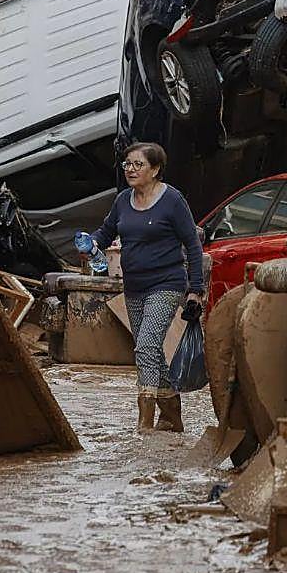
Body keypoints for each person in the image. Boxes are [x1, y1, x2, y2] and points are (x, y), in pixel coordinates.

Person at [87, 142, 203, 434]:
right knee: (148, 352)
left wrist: (196, 289)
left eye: (138, 164)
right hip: (134, 286)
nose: (130, 169)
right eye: (127, 164)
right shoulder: (123, 200)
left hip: (166, 283)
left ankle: (145, 423)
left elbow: (192, 243)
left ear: (155, 169)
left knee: (148, 345)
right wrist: (93, 243)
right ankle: (173, 413)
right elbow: (106, 231)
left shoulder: (173, 200)